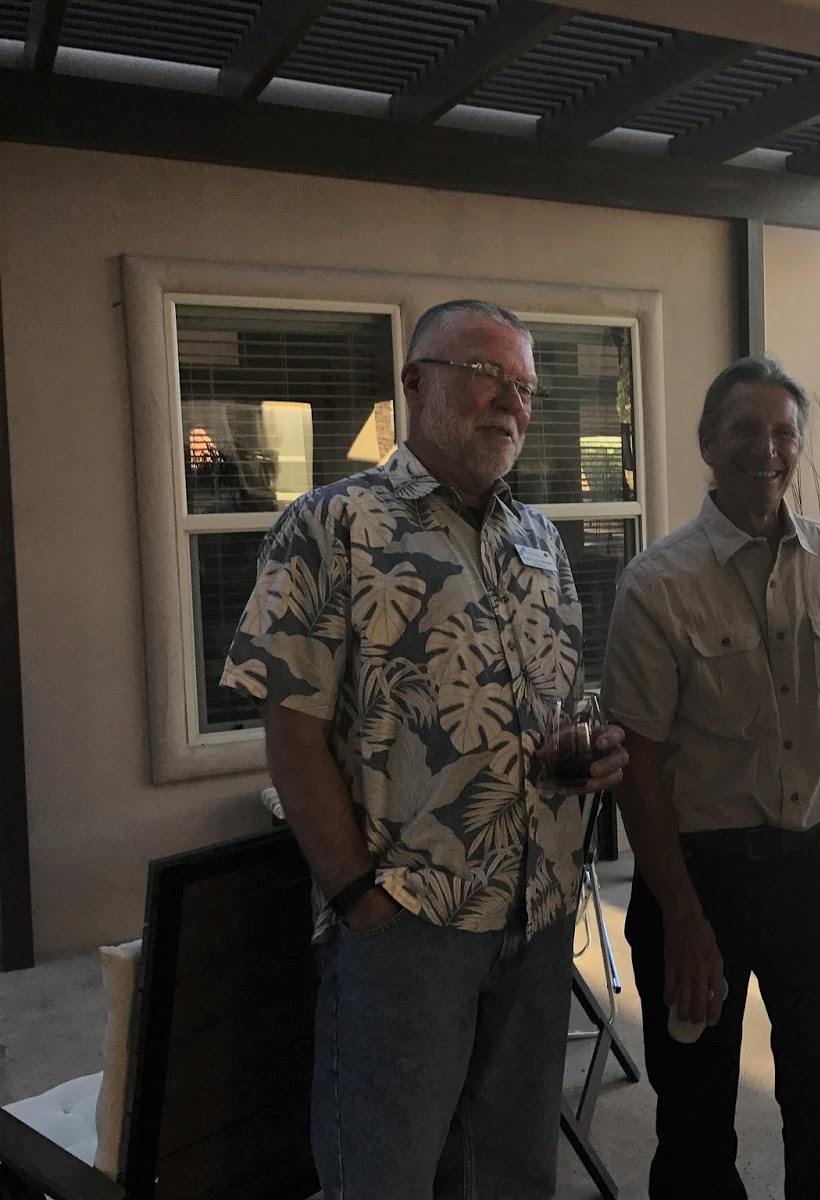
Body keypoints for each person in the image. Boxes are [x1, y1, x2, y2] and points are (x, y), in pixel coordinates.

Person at [221, 299, 628, 1200]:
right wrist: (358, 895)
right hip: (409, 922)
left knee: (511, 1172)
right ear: (415, 382)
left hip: (538, 912)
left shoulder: (540, 539)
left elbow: (549, 709)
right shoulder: (331, 527)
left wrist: (592, 753)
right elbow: (291, 734)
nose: (511, 402)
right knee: (386, 1175)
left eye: (525, 387)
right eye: (486, 375)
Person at [602, 356, 820, 1200]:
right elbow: (638, 763)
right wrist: (682, 916)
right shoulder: (658, 584)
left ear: (799, 447)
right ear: (707, 442)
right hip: (701, 878)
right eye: (744, 430)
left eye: (783, 433)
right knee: (695, 1115)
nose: (766, 450)